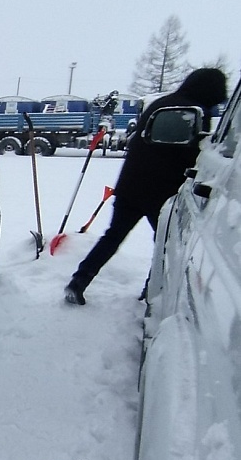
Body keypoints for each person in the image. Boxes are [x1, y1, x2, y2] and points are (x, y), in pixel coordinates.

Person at [64, 68, 228, 305]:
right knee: (166, 245)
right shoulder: (191, 112)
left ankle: (78, 282)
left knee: (113, 236)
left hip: (131, 185)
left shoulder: (162, 104)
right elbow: (192, 154)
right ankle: (152, 292)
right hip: (161, 193)